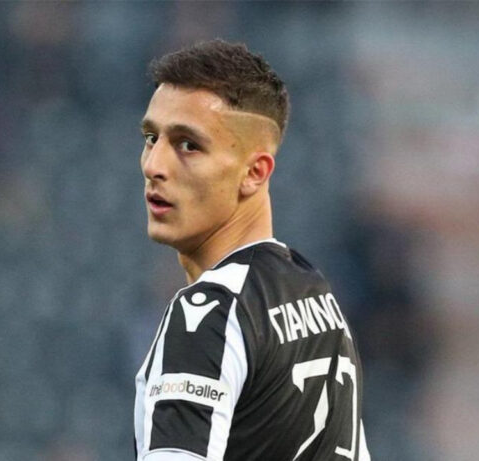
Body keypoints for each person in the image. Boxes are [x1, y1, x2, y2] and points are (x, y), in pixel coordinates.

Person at [134, 39, 371, 461]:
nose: (154, 165)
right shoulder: (313, 293)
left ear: (254, 172)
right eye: (152, 138)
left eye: (188, 145)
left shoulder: (209, 314)